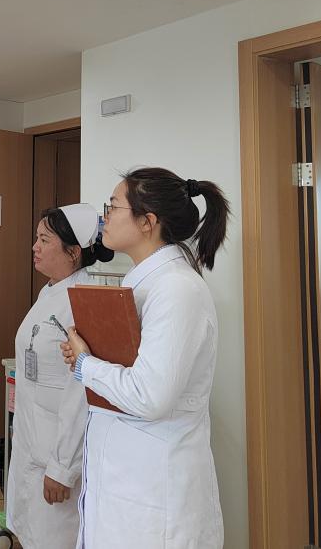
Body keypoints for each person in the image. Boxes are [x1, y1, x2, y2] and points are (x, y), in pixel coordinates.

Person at [62, 167, 229, 548]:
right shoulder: (143, 283)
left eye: (113, 206)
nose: (105, 217)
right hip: (128, 483)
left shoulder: (177, 289)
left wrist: (87, 364)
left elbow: (150, 395)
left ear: (147, 222)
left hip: (157, 497)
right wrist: (85, 354)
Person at [6, 204, 112, 548]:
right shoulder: (50, 292)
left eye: (44, 240)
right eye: (36, 238)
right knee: (32, 534)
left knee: (54, 538)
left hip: (57, 451)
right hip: (33, 440)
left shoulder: (83, 301)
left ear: (73, 251)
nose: (34, 247)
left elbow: (80, 392)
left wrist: (63, 467)